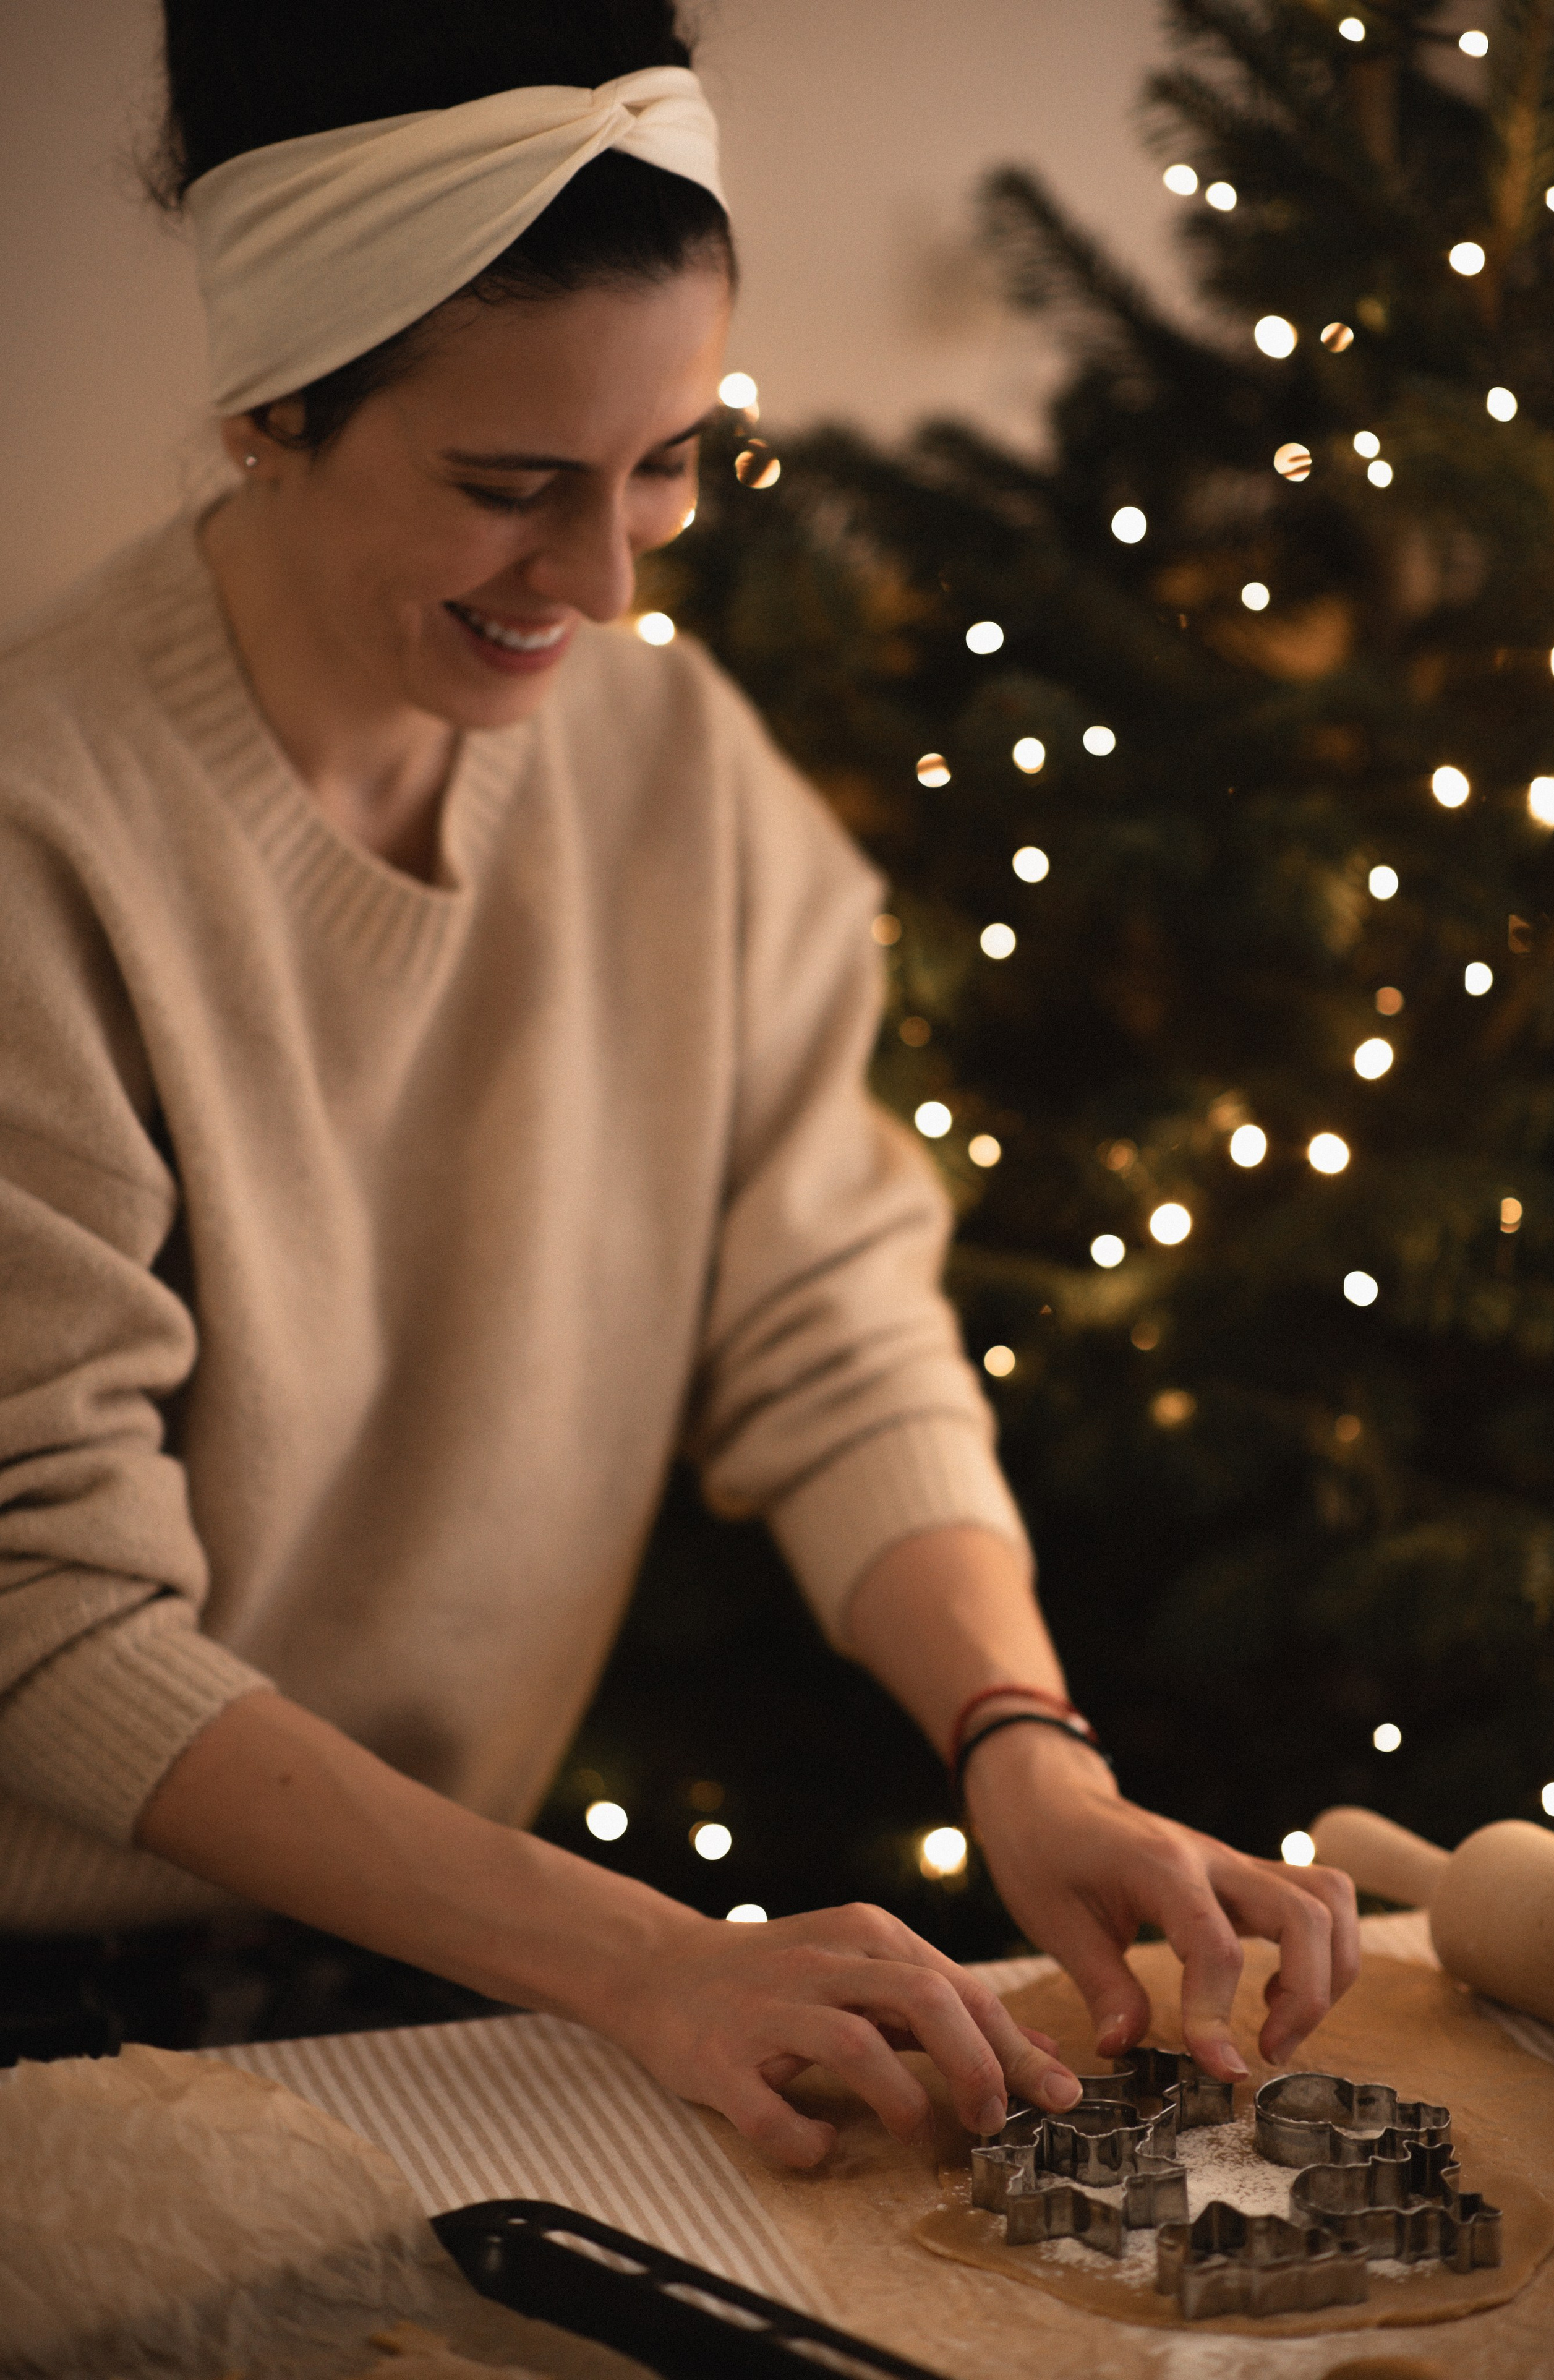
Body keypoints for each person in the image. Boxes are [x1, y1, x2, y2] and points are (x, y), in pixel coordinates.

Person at [0, 0, 1356, 2165]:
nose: (609, 581)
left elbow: (826, 1321)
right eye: (508, 488)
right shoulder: (43, 842)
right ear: (271, 408)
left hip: (447, 1961)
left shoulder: (677, 776)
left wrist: (1028, 1747)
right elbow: (42, 1616)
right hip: (55, 2033)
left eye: (668, 462)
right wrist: (637, 1955)